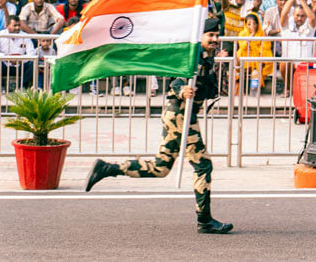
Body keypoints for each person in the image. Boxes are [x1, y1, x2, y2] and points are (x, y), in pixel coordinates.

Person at [85, 17, 233, 235]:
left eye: (216, 35)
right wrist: (182, 90)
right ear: (199, 37)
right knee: (203, 166)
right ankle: (204, 220)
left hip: (180, 115)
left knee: (160, 168)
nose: (215, 39)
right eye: (210, 35)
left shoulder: (206, 58)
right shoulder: (191, 56)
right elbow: (176, 80)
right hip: (181, 115)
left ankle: (108, 168)